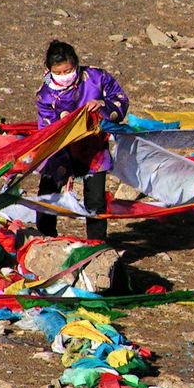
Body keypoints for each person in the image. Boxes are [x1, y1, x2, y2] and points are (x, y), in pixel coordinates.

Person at [35, 40, 129, 241]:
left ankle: (96, 244)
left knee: (95, 201)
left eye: (68, 70)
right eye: (58, 72)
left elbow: (120, 100)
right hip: (59, 149)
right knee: (47, 194)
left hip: (93, 149)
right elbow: (47, 130)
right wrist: (65, 163)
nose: (64, 76)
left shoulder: (96, 78)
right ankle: (46, 239)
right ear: (48, 70)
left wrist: (103, 104)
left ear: (76, 64)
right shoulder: (45, 95)